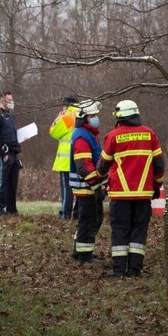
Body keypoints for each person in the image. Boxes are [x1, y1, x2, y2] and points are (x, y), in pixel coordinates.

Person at [96, 100, 165, 277]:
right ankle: (135, 269)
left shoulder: (112, 136)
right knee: (139, 231)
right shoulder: (150, 134)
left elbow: (102, 167)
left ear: (119, 117)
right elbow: (159, 165)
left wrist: (99, 179)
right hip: (144, 195)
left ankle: (118, 270)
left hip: (120, 195)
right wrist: (156, 186)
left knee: (120, 230)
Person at [69, 99, 105, 263]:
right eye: (93, 115)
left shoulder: (89, 134)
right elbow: (83, 165)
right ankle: (84, 255)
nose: (96, 117)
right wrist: (96, 186)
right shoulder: (82, 136)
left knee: (92, 219)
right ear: (85, 117)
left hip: (88, 187)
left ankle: (81, 250)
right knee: (89, 220)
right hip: (86, 188)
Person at [0, 91, 21, 216]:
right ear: (3, 100)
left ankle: (12, 209)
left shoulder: (11, 117)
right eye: (10, 100)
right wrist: (3, 154)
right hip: (4, 154)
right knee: (2, 182)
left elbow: (13, 135)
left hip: (14, 153)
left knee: (12, 184)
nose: (11, 102)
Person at [49, 95, 79, 219]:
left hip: (66, 160)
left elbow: (53, 131)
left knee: (67, 189)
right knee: (79, 188)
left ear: (66, 105)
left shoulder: (67, 116)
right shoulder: (82, 113)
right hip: (79, 157)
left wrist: (59, 117)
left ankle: (65, 214)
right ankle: (77, 213)